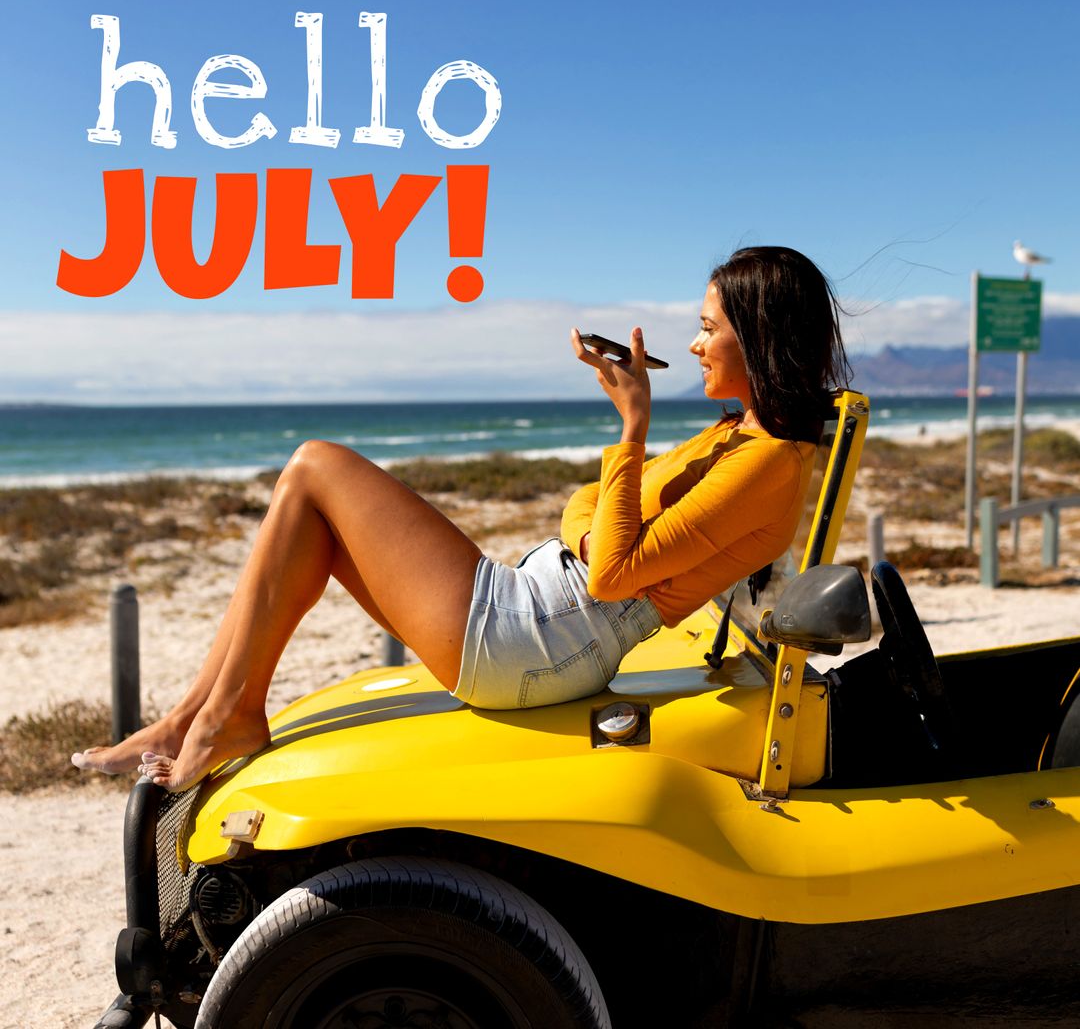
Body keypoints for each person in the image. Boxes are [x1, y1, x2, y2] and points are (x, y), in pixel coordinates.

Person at [72, 245, 849, 792]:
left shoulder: (765, 462)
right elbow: (587, 508)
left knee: (314, 465)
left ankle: (222, 717)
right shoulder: (735, 435)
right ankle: (198, 717)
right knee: (310, 517)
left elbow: (612, 569)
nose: (693, 342)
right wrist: (599, 516)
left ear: (759, 337)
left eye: (710, 327)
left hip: (545, 636)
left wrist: (632, 430)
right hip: (549, 613)